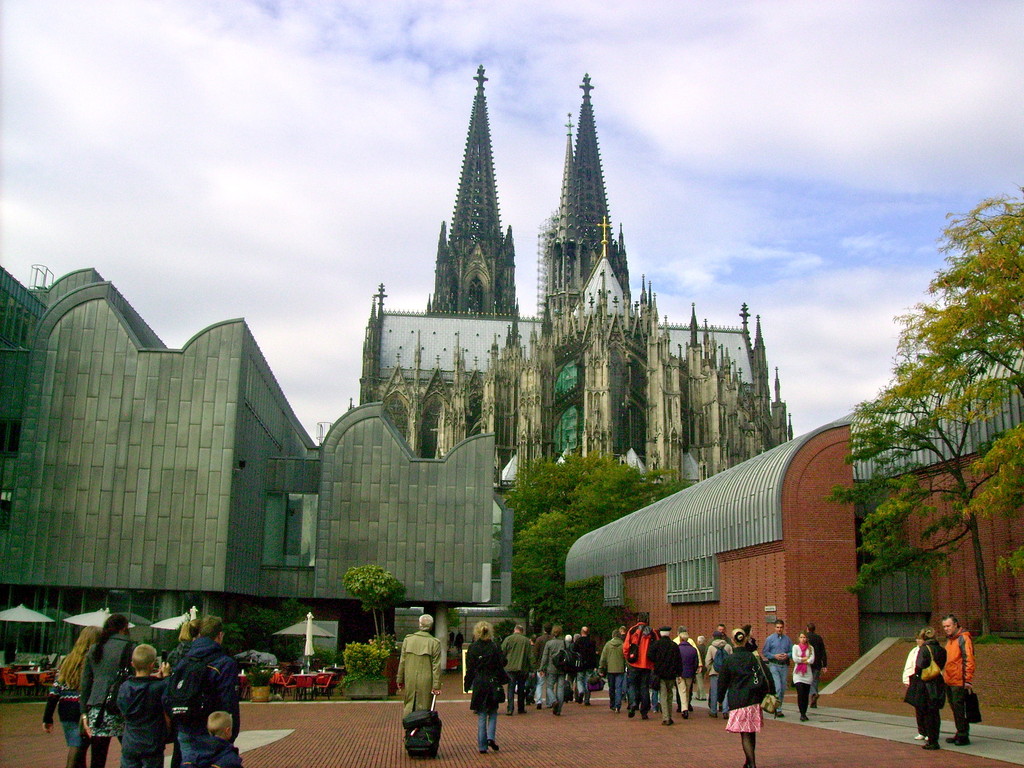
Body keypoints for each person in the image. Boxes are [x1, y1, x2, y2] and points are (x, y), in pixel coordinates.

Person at [169, 616, 240, 766]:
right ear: (220, 635)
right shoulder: (224, 663)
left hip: (185, 725)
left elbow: (168, 693)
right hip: (210, 728)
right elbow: (228, 700)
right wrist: (231, 730)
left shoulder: (185, 659)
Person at [81, 613, 136, 768]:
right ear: (124, 628)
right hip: (123, 706)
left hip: (98, 708)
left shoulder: (95, 648)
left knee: (97, 757)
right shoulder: (131, 648)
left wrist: (84, 711)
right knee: (130, 752)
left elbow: (86, 681)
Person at [44, 625, 101, 768]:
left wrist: (47, 716)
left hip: (65, 709)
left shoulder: (67, 661)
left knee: (76, 745)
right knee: (79, 747)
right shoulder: (95, 661)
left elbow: (55, 691)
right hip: (84, 710)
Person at [719, 626, 773, 768]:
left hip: (738, 699)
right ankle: (748, 761)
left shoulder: (729, 660)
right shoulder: (753, 657)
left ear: (732, 641)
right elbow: (766, 675)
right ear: (745, 640)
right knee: (751, 731)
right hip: (754, 698)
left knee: (745, 734)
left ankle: (752, 763)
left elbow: (722, 682)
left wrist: (719, 699)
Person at [117, 644, 168, 768]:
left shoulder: (125, 686)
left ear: (132, 664)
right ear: (153, 664)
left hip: (130, 742)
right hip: (152, 743)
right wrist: (166, 676)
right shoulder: (159, 687)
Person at [464, 621, 507, 753]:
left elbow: (470, 669)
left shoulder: (473, 648)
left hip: (479, 682)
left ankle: (482, 746)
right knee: (493, 712)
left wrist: (467, 684)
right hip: (493, 682)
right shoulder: (495, 646)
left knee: (481, 714)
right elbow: (503, 663)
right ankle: (490, 737)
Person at [166, 619, 201, 768]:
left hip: (176, 702)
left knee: (178, 746)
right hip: (193, 703)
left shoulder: (175, 652)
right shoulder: (198, 652)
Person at [905, 628, 947, 750]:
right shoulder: (942, 650)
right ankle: (935, 737)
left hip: (926, 683)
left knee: (926, 711)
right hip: (938, 682)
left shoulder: (923, 650)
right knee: (935, 712)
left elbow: (919, 667)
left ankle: (931, 739)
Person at [396, 613, 442, 717]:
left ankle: (408, 727)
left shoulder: (408, 639)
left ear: (419, 624)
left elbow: (402, 661)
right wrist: (436, 685)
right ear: (431, 626)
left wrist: (399, 678)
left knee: (408, 704)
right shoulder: (434, 642)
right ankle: (421, 730)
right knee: (425, 707)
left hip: (410, 677)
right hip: (426, 680)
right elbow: (436, 666)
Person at [941, 614, 975, 746]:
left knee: (959, 707)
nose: (946, 629)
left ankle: (963, 734)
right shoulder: (951, 640)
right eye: (944, 626)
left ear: (955, 625)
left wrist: (968, 679)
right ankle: (960, 731)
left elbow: (969, 659)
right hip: (949, 678)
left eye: (948, 626)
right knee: (955, 707)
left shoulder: (963, 638)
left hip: (958, 679)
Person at [622, 620, 656, 720]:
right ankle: (644, 711)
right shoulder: (652, 632)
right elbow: (655, 648)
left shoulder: (632, 630)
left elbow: (626, 647)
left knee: (632, 685)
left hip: (634, 663)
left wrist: (628, 658)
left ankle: (633, 703)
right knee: (644, 687)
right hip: (647, 664)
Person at [649, 626, 683, 725]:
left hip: (660, 674)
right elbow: (679, 661)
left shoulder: (656, 644)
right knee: (670, 695)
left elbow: (650, 655)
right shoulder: (674, 645)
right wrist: (679, 673)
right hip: (672, 674)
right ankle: (670, 716)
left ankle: (666, 717)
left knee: (663, 696)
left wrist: (656, 663)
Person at [760, 619, 792, 717]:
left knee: (782, 688)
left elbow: (792, 651)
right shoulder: (770, 639)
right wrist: (774, 656)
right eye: (777, 627)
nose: (779, 629)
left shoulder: (787, 639)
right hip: (774, 664)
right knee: (777, 686)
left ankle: (778, 704)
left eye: (781, 627)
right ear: (775, 628)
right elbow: (765, 652)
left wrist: (787, 655)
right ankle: (778, 709)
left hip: (784, 665)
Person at [500, 623, 532, 715]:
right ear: (522, 631)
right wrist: (532, 668)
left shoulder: (508, 639)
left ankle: (510, 708)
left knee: (510, 688)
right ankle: (521, 708)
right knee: (521, 689)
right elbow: (530, 656)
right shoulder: (526, 641)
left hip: (510, 667)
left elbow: (502, 652)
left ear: (515, 630)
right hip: (522, 668)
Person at [538, 624, 568, 716]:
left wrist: (541, 668)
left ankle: (553, 700)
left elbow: (545, 657)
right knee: (560, 688)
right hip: (562, 668)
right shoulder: (564, 643)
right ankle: (558, 710)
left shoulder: (549, 643)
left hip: (551, 668)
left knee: (549, 687)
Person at [901, 636, 926, 741]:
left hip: (925, 680)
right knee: (918, 707)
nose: (918, 641)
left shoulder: (927, 651)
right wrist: (906, 679)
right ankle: (921, 731)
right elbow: (908, 666)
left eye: (920, 639)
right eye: (917, 639)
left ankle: (929, 731)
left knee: (926, 707)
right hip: (915, 681)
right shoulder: (914, 651)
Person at [705, 630, 732, 718]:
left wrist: (709, 669)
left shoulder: (711, 647)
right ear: (722, 637)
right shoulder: (727, 646)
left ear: (713, 637)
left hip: (715, 672)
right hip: (726, 672)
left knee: (714, 691)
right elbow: (732, 658)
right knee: (726, 691)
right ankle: (725, 711)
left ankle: (713, 711)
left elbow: (707, 661)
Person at [791, 632, 814, 721]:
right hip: (798, 674)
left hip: (807, 674)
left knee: (805, 694)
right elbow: (795, 659)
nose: (803, 639)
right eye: (801, 637)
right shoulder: (795, 647)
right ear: (799, 638)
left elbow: (812, 660)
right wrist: (803, 659)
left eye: (804, 637)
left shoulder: (811, 648)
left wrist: (803, 660)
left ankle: (805, 711)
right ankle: (802, 713)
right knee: (800, 694)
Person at [676, 632, 700, 718]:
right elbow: (696, 663)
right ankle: (686, 706)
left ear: (680, 639)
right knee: (687, 691)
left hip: (680, 673)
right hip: (690, 673)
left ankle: (684, 709)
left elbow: (676, 662)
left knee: (682, 691)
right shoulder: (693, 649)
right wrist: (693, 672)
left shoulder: (677, 649)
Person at [573, 626, 598, 705]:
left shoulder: (578, 641)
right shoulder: (591, 641)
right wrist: (595, 665)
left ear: (581, 632)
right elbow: (594, 654)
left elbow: (574, 651)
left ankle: (581, 691)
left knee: (579, 679)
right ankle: (587, 700)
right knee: (588, 681)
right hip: (590, 664)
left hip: (580, 663)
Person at [805, 622, 828, 708]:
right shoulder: (819, 638)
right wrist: (824, 665)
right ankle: (813, 701)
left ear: (807, 628)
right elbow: (823, 651)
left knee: (808, 681)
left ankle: (814, 694)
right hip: (817, 663)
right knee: (815, 680)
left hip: (808, 662)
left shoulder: (805, 638)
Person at [532, 624, 552, 709]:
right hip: (550, 665)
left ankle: (539, 701)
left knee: (539, 684)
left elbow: (535, 653)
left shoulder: (539, 639)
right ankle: (549, 702)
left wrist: (536, 663)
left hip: (540, 664)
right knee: (549, 684)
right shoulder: (552, 639)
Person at [694, 634, 708, 701]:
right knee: (700, 680)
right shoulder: (706, 648)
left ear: (699, 641)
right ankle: (698, 695)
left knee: (700, 682)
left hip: (699, 666)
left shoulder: (697, 648)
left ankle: (702, 696)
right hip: (704, 667)